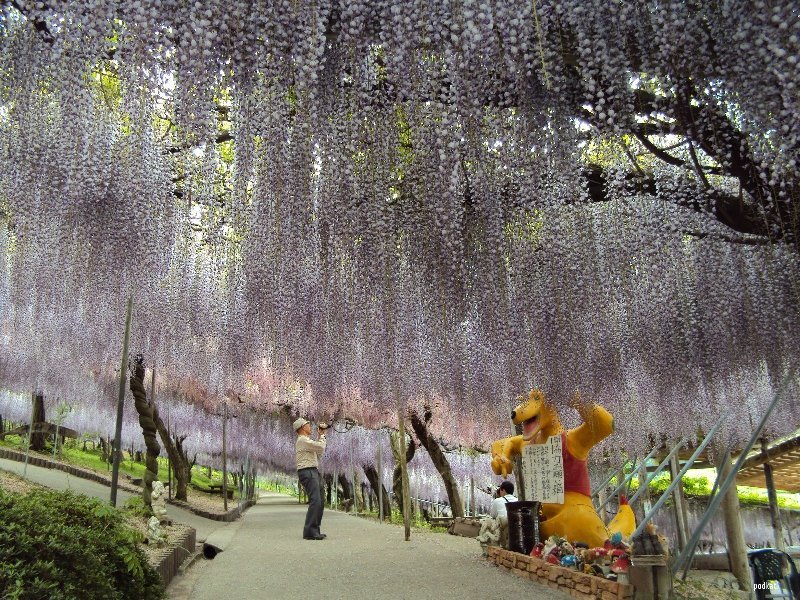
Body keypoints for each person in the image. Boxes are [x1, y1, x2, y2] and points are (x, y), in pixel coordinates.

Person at [294, 417, 328, 540]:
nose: (310, 427)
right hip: (307, 471)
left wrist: (320, 437)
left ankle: (315, 530)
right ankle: (309, 531)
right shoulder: (302, 440)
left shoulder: (306, 441)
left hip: (312, 470)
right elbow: (321, 448)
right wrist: (322, 436)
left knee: (320, 501)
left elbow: (318, 453)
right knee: (316, 500)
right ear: (302, 427)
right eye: (308, 425)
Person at [489, 480, 517, 548]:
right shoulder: (518, 500)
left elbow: (492, 515)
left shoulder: (497, 500)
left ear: (503, 490)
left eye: (500, 490)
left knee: (491, 522)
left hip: (503, 525)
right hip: (516, 524)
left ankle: (497, 544)